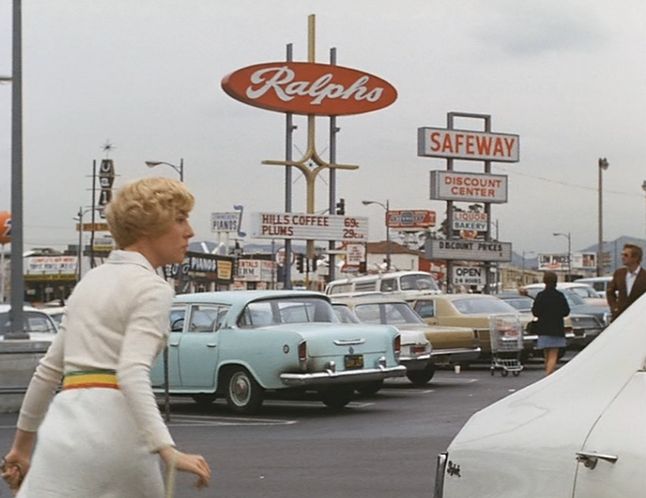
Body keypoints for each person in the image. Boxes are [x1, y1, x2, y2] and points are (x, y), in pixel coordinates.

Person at [1, 178, 211, 496]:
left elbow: (48, 371)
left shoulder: (90, 281)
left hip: (63, 433)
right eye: (179, 219)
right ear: (147, 228)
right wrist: (167, 450)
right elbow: (131, 371)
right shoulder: (153, 287)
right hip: (118, 434)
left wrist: (21, 448)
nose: (189, 231)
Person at [531, 271, 570, 376]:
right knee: (553, 354)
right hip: (557, 328)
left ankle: (548, 373)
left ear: (544, 281)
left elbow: (535, 312)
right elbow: (566, 311)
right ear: (556, 281)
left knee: (546, 354)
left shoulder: (540, 295)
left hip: (543, 328)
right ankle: (549, 376)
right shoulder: (559, 296)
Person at [606, 243, 646, 322]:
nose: (622, 257)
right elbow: (610, 292)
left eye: (626, 255)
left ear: (635, 258)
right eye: (622, 255)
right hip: (620, 317)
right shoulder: (619, 273)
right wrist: (614, 307)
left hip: (639, 318)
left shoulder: (644, 276)